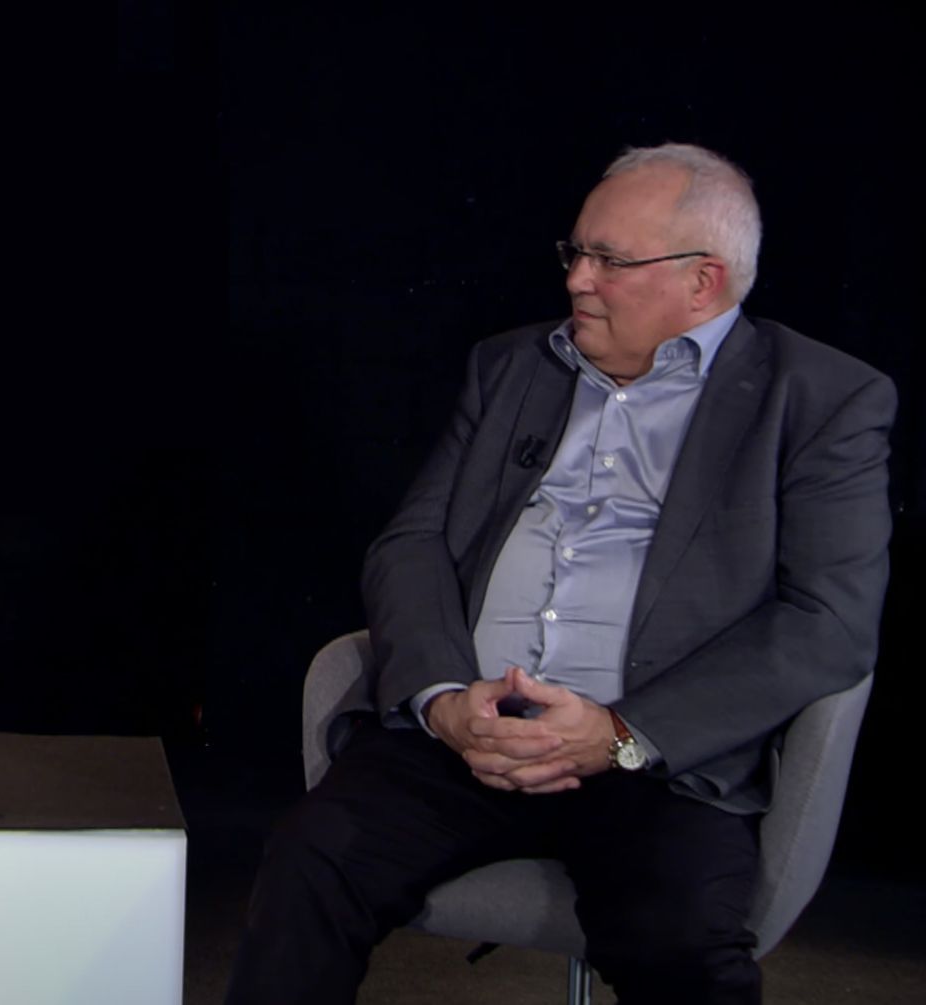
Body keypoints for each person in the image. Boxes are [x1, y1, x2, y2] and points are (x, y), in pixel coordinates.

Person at [226, 144, 895, 1004]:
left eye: (610, 260)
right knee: (309, 864)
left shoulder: (819, 398)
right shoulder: (513, 366)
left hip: (653, 759)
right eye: (576, 252)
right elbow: (412, 543)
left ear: (704, 281)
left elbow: (829, 618)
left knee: (679, 941)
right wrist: (443, 700)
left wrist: (619, 731)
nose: (578, 279)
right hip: (468, 732)